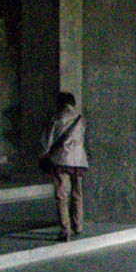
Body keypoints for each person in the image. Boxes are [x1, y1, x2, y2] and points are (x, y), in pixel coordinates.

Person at [40, 91, 87, 242]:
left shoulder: (56, 119)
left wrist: (43, 155)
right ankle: (78, 225)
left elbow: (47, 142)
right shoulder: (81, 119)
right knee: (77, 194)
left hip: (61, 160)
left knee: (61, 195)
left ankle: (65, 229)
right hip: (79, 161)